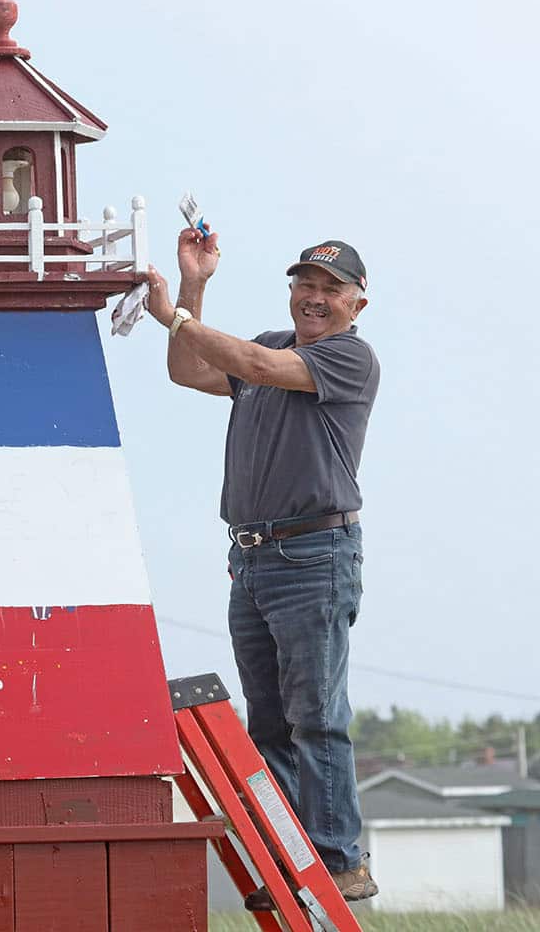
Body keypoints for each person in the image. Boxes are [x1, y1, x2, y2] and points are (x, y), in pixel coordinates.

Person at [143, 227, 380, 910]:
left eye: (330, 289)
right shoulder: (272, 346)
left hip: (313, 555)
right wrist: (193, 286)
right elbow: (189, 370)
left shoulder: (348, 360)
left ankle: (338, 861)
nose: (314, 297)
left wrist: (178, 316)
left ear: (357, 305)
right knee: (268, 724)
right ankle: (289, 857)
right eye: (306, 284)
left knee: (317, 717)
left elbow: (250, 365)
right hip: (251, 556)